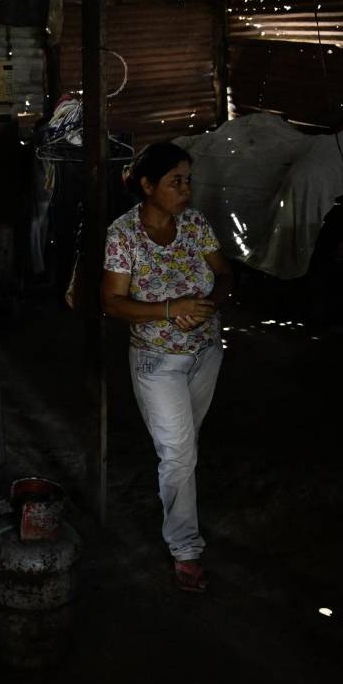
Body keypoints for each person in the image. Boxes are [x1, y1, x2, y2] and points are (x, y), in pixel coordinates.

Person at [101, 142, 234, 593]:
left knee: (183, 449)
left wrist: (209, 306)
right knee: (178, 453)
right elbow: (113, 303)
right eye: (176, 181)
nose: (186, 189)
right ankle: (186, 550)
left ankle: (178, 518)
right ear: (147, 185)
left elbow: (225, 275)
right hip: (158, 362)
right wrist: (168, 309)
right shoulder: (123, 235)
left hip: (205, 353)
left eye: (188, 180)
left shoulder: (195, 225)